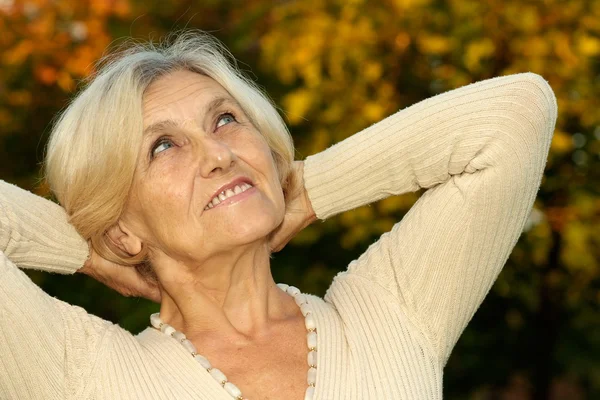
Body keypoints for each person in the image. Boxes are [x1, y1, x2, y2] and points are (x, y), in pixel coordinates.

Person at [0, 31, 557, 400]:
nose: (220, 155)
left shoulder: (388, 312)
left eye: (224, 121)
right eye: (163, 147)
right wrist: (88, 247)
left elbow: (517, 114)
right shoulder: (84, 373)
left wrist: (305, 189)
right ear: (123, 226)